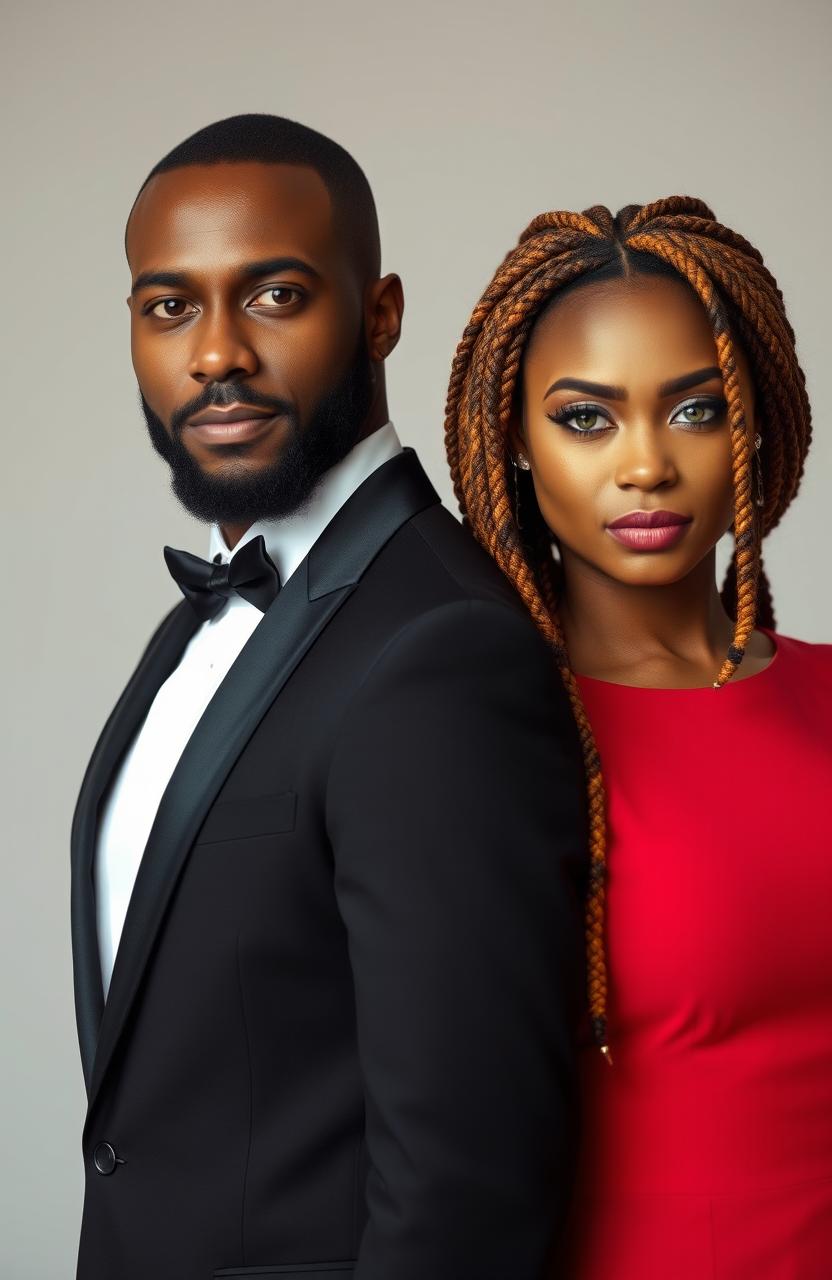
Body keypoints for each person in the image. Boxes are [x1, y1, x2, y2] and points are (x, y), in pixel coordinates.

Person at [69, 114, 588, 1280]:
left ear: (380, 313)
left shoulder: (440, 648)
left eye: (273, 296)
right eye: (169, 306)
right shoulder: (196, 627)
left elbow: (465, 1190)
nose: (214, 353)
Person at [443, 196, 832, 1278]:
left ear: (753, 421)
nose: (646, 464)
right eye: (585, 417)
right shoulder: (479, 740)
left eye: (696, 409)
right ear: (512, 441)